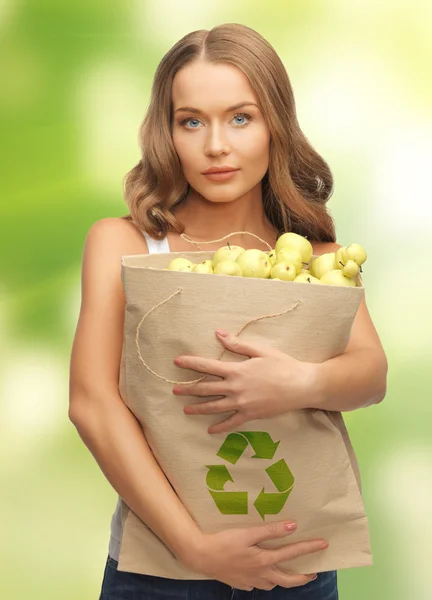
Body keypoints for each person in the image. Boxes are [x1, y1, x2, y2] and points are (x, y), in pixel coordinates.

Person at [69, 23, 388, 599]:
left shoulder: (318, 258)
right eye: (191, 121)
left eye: (241, 117)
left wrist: (298, 382)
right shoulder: (127, 245)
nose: (216, 145)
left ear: (275, 127)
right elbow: (93, 404)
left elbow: (371, 376)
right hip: (162, 571)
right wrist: (195, 548)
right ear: (167, 134)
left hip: (297, 567)